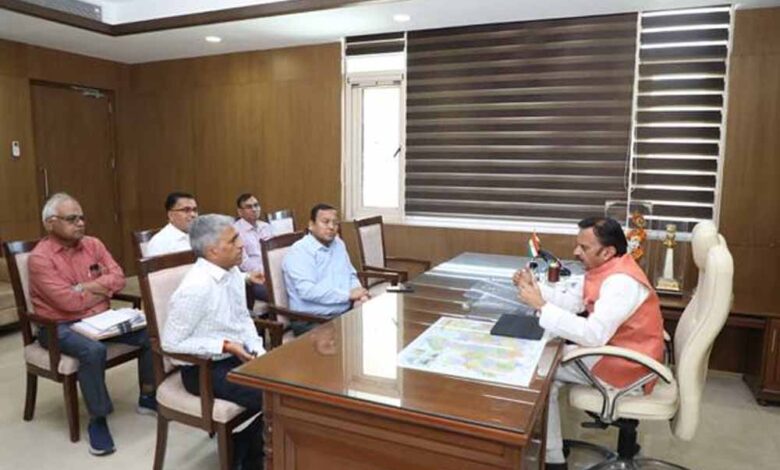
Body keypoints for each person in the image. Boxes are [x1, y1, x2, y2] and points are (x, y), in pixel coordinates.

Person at [514, 217, 664, 470]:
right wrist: (534, 289)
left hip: (628, 367)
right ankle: (552, 449)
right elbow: (574, 301)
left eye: (584, 248)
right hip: (618, 352)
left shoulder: (622, 283)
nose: (576, 252)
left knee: (539, 372)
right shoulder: (608, 269)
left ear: (607, 252)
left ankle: (553, 461)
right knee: (548, 364)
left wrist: (541, 305)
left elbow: (594, 335)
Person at [28, 193, 155, 457]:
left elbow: (119, 277)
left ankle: (147, 396)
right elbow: (67, 302)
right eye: (72, 219)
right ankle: (98, 419)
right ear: (50, 223)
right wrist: (100, 290)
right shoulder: (40, 258)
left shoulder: (93, 244)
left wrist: (83, 287)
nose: (80, 223)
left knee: (150, 331)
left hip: (100, 319)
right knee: (92, 351)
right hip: (58, 327)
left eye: (82, 217)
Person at [162, 214, 266, 470]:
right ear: (212, 251)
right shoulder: (195, 287)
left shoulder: (232, 272)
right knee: (275, 398)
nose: (241, 244)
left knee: (290, 387)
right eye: (233, 240)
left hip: (237, 356)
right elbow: (171, 343)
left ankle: (242, 443)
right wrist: (224, 345)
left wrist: (258, 350)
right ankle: (247, 457)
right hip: (203, 370)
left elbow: (242, 318)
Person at [282, 203, 368, 335]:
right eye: (325, 222)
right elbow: (308, 291)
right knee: (351, 340)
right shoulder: (299, 251)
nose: (331, 227)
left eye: (335, 223)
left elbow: (350, 274)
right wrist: (348, 295)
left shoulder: (338, 244)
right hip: (312, 319)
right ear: (311, 225)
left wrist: (359, 297)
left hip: (343, 312)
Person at [234, 193, 273, 302]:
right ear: (240, 212)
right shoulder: (236, 231)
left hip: (272, 273)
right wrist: (265, 272)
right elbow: (243, 262)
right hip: (255, 277)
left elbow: (274, 253)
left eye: (256, 205)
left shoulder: (266, 226)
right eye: (249, 207)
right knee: (274, 294)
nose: (254, 209)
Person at [146, 191, 198, 256]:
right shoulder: (159, 243)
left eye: (194, 210)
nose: (193, 214)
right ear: (170, 215)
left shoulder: (200, 234)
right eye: (186, 210)